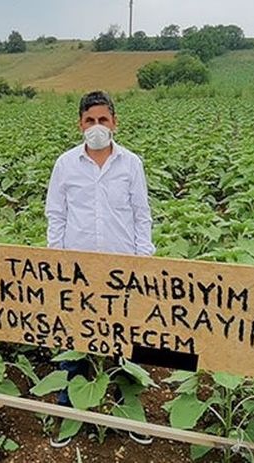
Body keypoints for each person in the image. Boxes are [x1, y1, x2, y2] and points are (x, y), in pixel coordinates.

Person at [44, 90, 155, 447]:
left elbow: (141, 215)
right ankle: (68, 411)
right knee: (73, 337)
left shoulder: (131, 164)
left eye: (102, 120)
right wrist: (55, 261)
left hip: (122, 267)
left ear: (114, 123)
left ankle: (128, 409)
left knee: (127, 339)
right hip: (77, 269)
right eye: (89, 120)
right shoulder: (65, 164)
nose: (96, 127)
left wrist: (143, 261)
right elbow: (56, 215)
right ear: (80, 124)